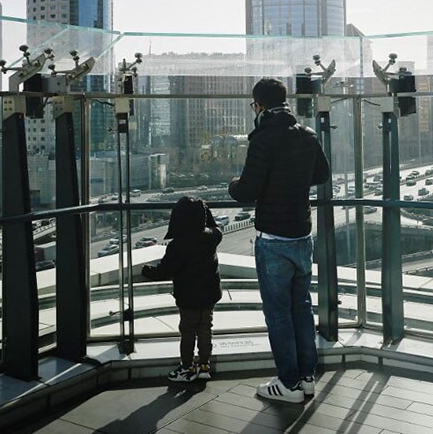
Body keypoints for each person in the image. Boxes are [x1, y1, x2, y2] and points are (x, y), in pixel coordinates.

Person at [229, 77, 330, 403]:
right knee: (301, 308)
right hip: (302, 235)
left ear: (258, 105)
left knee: (278, 314)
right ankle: (306, 378)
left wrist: (232, 184)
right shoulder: (307, 134)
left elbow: (246, 191)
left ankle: (287, 383)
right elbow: (322, 175)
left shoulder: (263, 139)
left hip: (273, 238)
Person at [141, 196, 223, 382]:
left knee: (187, 331)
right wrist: (205, 208)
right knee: (205, 329)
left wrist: (147, 271)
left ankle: (186, 368)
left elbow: (165, 270)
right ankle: (204, 365)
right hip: (209, 295)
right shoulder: (212, 236)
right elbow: (215, 226)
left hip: (189, 297)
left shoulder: (178, 244)